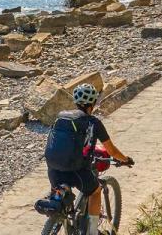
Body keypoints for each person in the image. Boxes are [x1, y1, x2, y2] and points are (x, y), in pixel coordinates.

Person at [42, 84, 133, 235]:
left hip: (53, 169)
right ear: (93, 102)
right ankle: (91, 231)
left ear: (76, 101)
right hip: (77, 171)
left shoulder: (61, 117)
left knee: (65, 204)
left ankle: (63, 224)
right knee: (95, 191)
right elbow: (111, 150)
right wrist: (125, 159)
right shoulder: (93, 122)